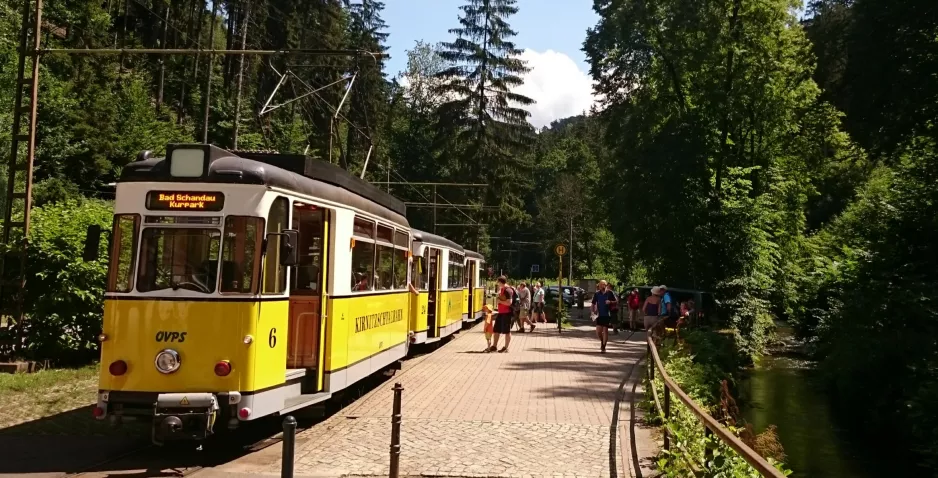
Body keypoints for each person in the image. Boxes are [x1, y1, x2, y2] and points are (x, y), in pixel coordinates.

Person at [591, 280, 617, 353]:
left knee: (605, 330)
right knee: (598, 331)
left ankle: (604, 346)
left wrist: (610, 302)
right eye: (600, 285)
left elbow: (616, 301)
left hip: (607, 314)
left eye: (603, 285)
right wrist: (592, 312)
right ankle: (602, 341)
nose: (601, 286)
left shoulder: (610, 293)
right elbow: (593, 303)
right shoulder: (597, 294)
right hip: (599, 314)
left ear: (605, 285)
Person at [489, 276, 513, 353]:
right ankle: (494, 346)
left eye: (498, 282)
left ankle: (506, 347)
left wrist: (500, 301)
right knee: (496, 329)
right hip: (501, 313)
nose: (497, 284)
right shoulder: (502, 289)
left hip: (507, 313)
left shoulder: (508, 290)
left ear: (500, 282)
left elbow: (509, 303)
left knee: (507, 331)